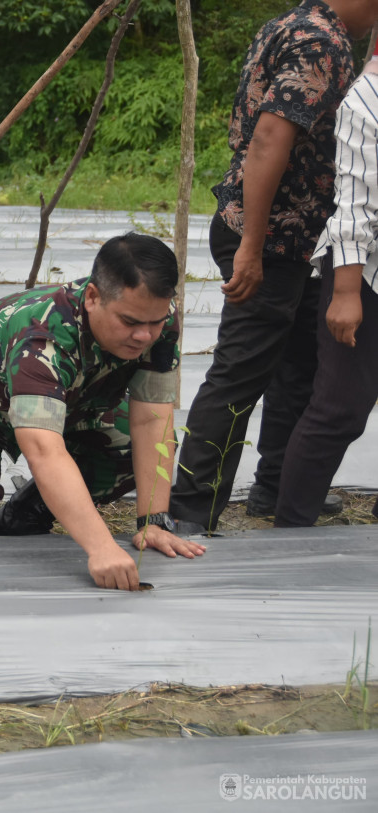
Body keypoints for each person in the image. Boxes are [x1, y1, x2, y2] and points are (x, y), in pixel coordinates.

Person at [0, 233, 206, 591]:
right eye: (131, 322)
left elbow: (152, 420)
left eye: (154, 322)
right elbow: (44, 451)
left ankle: (21, 519)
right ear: (93, 297)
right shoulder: (42, 337)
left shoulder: (158, 322)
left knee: (125, 448)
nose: (144, 336)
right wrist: (101, 547)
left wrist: (153, 520)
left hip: (58, 400)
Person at [170, 0, 378, 528]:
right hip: (273, 237)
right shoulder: (320, 43)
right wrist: (252, 247)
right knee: (242, 369)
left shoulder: (295, 24)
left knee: (300, 366)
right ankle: (193, 510)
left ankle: (276, 486)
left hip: (299, 241)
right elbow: (268, 137)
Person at [277, 55, 378, 526]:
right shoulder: (365, 100)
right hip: (362, 271)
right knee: (340, 407)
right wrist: (346, 294)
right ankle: (291, 526)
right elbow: (354, 207)